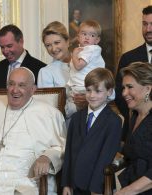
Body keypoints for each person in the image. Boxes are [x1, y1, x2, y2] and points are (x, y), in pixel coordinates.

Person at [61, 68, 122, 195]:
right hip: (74, 184)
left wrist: (96, 188)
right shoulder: (77, 117)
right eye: (88, 90)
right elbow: (69, 152)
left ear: (109, 92)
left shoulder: (114, 121)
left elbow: (106, 158)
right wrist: (66, 183)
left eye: (98, 91)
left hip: (96, 186)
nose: (92, 95)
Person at [0, 24, 46, 112]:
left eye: (9, 46)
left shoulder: (40, 68)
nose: (5, 51)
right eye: (2, 47)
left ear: (21, 42)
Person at [115, 5, 152, 141]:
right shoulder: (128, 58)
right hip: (134, 127)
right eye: (145, 24)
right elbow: (119, 93)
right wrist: (136, 115)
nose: (148, 29)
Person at [115, 62, 152, 195]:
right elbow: (131, 152)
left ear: (148, 88)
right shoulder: (134, 115)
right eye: (123, 87)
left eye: (130, 87)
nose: (124, 93)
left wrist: (128, 191)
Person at [65, 20, 108, 122]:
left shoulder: (91, 49)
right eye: (84, 34)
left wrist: (74, 54)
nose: (87, 37)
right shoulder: (83, 50)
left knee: (72, 110)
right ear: (78, 36)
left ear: (97, 40)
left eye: (92, 35)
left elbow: (79, 66)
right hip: (79, 86)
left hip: (84, 86)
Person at [37, 21, 70, 88]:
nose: (53, 49)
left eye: (57, 43)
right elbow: (47, 98)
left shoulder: (86, 63)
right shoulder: (45, 72)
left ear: (67, 41)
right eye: (48, 45)